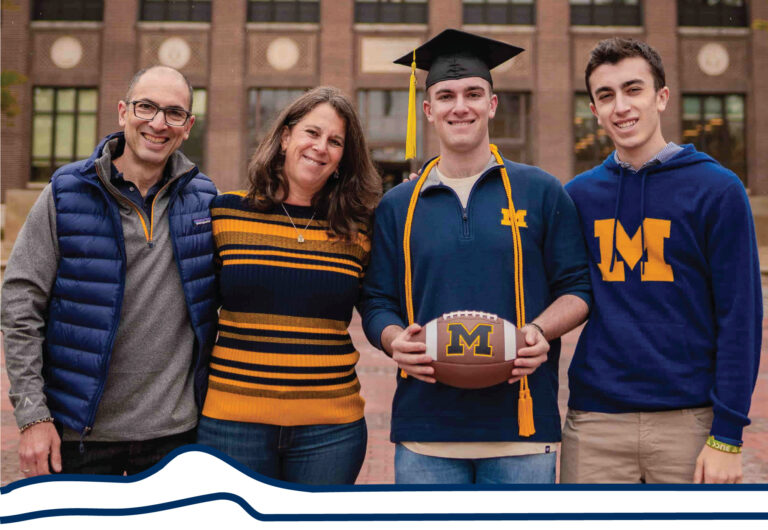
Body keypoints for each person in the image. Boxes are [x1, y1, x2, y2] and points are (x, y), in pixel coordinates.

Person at [360, 29, 591, 484]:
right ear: (428, 110)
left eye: (473, 93)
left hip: (521, 428)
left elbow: (578, 287)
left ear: (492, 104)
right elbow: (374, 299)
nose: (459, 105)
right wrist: (393, 340)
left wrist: (539, 331)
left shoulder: (541, 191)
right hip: (426, 431)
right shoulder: (397, 205)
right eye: (445, 95)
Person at [561, 38, 762, 484]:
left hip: (690, 424)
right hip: (595, 425)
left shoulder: (717, 189)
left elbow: (740, 317)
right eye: (606, 95)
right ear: (593, 109)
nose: (621, 107)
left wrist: (727, 435)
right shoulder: (578, 197)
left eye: (633, 89)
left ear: (661, 97)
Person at [2, 65, 218, 477]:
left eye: (174, 113)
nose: (158, 123)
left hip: (177, 440)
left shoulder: (203, 200)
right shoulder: (66, 192)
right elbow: (19, 305)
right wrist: (33, 416)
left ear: (188, 126)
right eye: (146, 107)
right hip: (81, 438)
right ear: (123, 112)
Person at [195, 87, 381, 485]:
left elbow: (381, 305)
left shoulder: (358, 230)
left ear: (343, 158)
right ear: (285, 138)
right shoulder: (225, 213)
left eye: (335, 141)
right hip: (232, 424)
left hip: (329, 431)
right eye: (312, 133)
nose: (320, 147)